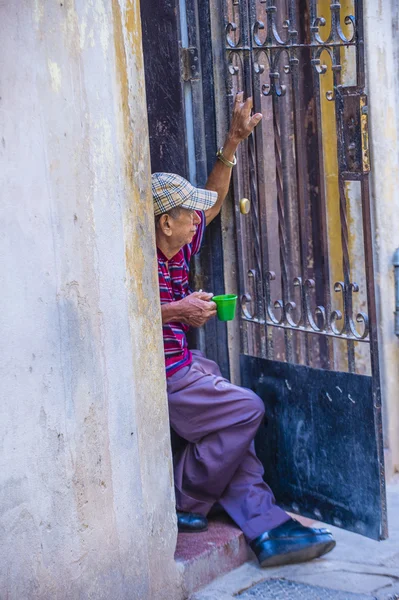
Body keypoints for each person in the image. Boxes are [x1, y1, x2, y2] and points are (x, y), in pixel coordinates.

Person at [152, 92, 335, 567]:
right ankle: (185, 497)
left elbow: (212, 204)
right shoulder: (139, 260)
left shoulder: (181, 244)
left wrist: (232, 143)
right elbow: (123, 315)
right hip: (164, 377)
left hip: (187, 364)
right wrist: (178, 312)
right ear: (163, 222)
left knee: (235, 430)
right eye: (186, 214)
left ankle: (269, 530)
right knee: (245, 409)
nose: (198, 219)